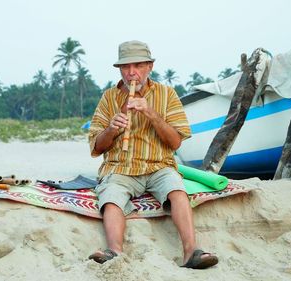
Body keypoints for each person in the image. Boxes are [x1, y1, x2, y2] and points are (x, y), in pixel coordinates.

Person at [87, 40, 218, 269]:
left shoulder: (167, 95)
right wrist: (112, 129)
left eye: (137, 65)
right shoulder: (109, 98)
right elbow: (97, 148)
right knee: (111, 198)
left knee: (177, 191)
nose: (131, 73)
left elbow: (175, 142)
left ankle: (190, 252)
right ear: (119, 69)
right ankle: (115, 252)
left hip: (159, 165)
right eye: (125, 67)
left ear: (150, 66)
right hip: (120, 167)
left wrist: (150, 112)